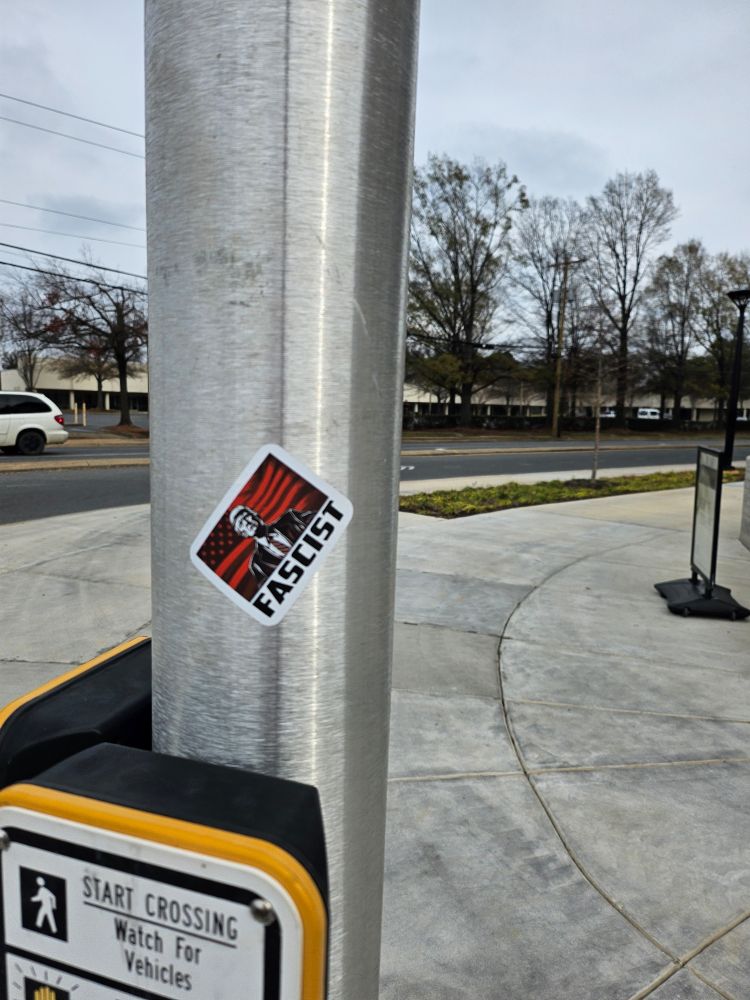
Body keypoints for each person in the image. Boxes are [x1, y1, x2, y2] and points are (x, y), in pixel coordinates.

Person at [229, 504, 314, 585]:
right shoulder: (257, 564)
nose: (246, 523)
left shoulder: (290, 518)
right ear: (243, 534)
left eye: (246, 516)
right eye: (241, 523)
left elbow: (318, 518)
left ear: (255, 515)